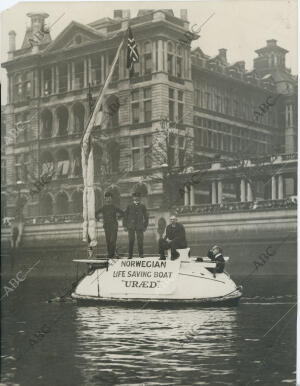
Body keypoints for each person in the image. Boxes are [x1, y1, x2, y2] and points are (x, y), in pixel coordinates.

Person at [95, 192, 124, 258]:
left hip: (114, 226)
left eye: (109, 198)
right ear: (105, 199)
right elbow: (96, 213)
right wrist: (99, 219)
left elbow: (122, 213)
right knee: (108, 241)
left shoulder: (114, 207)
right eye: (107, 198)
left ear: (111, 199)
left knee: (112, 240)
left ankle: (112, 254)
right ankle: (110, 255)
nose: (108, 199)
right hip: (106, 226)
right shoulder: (104, 207)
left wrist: (118, 218)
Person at [123, 192, 149, 259]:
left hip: (139, 226)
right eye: (135, 197)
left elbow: (146, 216)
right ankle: (130, 255)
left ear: (139, 198)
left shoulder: (142, 206)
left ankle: (141, 254)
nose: (136, 198)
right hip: (131, 226)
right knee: (131, 240)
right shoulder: (129, 206)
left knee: (140, 240)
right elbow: (125, 216)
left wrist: (145, 226)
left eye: (138, 197)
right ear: (133, 198)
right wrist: (125, 226)